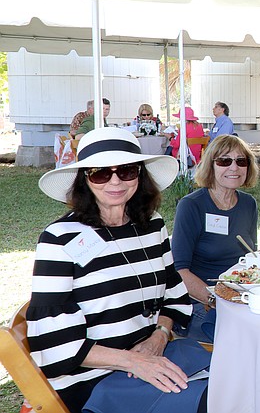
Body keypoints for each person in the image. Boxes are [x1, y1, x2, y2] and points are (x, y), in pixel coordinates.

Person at [28, 127, 208, 413]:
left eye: (126, 170)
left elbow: (175, 296)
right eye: (100, 172)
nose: (115, 181)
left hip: (154, 356)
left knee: (235, 382)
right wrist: (133, 361)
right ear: (84, 179)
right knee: (211, 401)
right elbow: (53, 342)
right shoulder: (60, 238)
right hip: (93, 380)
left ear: (140, 175)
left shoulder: (152, 226)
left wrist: (159, 337)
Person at [171, 135, 259, 342]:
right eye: (224, 161)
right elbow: (179, 270)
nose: (234, 168)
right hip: (202, 301)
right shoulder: (192, 206)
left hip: (241, 297)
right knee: (247, 338)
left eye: (241, 161)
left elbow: (251, 258)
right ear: (211, 166)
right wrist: (216, 300)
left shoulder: (248, 204)